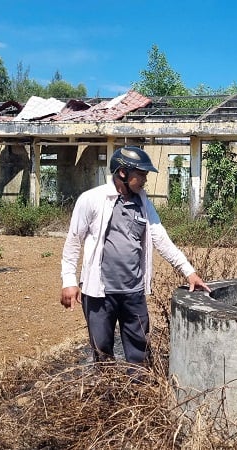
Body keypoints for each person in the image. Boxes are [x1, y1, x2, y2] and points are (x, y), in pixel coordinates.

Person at [60, 145, 211, 366]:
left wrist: (189, 272)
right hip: (100, 292)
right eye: (140, 174)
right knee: (102, 352)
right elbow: (74, 240)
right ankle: (107, 396)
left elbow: (161, 239)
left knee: (139, 352)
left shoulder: (143, 203)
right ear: (123, 172)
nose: (144, 180)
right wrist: (69, 281)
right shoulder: (92, 199)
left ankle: (138, 393)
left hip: (133, 292)